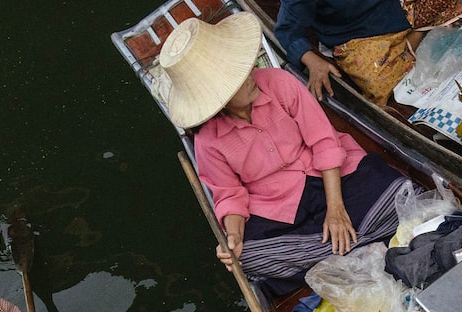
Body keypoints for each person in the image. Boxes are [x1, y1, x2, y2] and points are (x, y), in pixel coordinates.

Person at [156, 13, 408, 295]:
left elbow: (324, 143)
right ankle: (354, 247)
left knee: (398, 191)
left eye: (245, 69)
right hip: (276, 207)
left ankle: (335, 255)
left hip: (329, 175)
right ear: (221, 100)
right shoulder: (208, 141)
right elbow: (229, 196)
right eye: (238, 78)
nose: (251, 74)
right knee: (249, 258)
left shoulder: (279, 82)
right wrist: (234, 237)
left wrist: (336, 210)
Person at [274, 0, 420, 102]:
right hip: (359, 36)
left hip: (397, 10)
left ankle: (418, 35)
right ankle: (419, 34)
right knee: (376, 83)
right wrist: (311, 59)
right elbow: (287, 29)